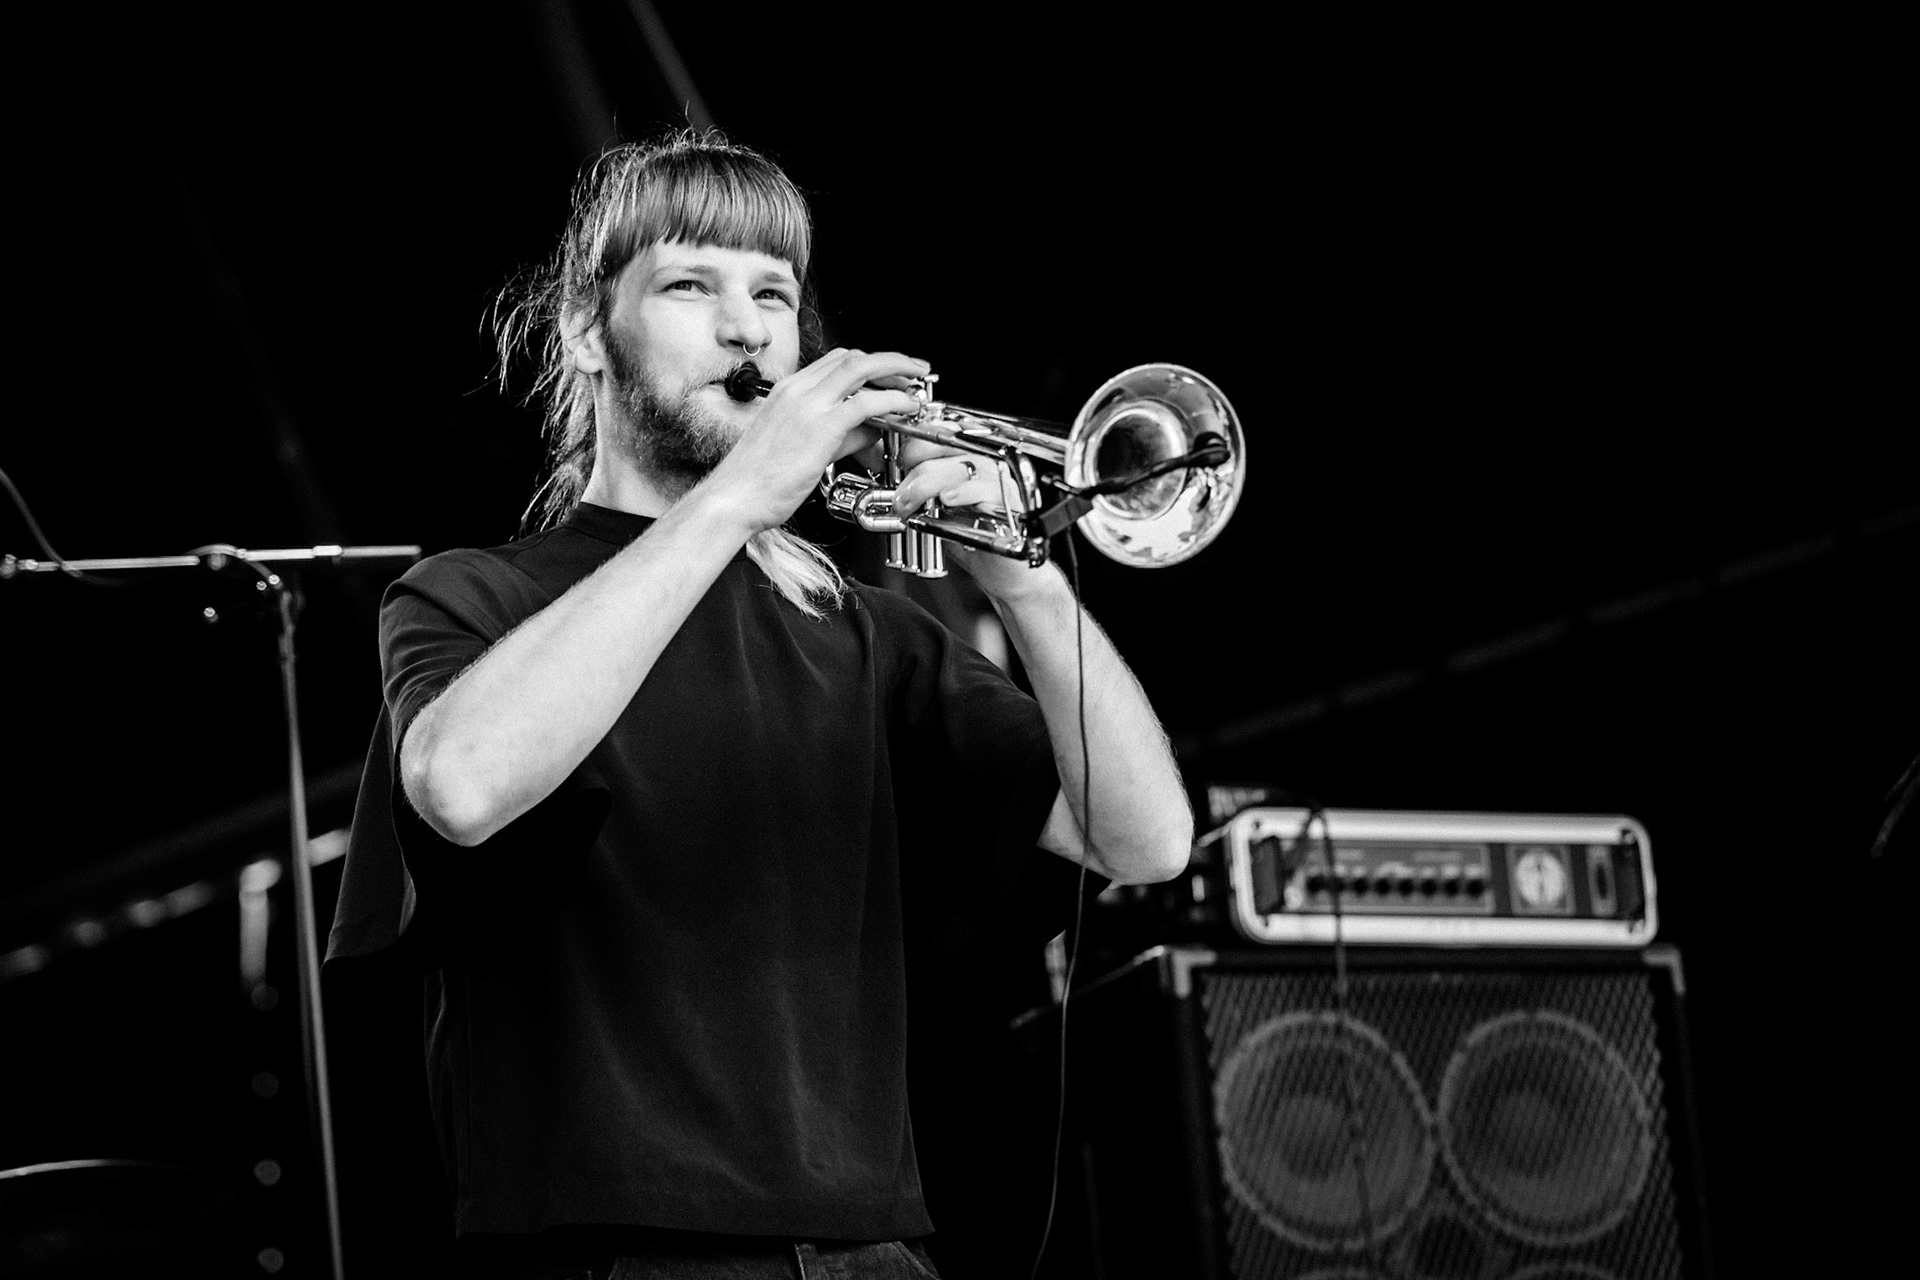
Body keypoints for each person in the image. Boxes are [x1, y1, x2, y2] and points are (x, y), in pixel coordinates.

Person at [325, 129, 1193, 1279]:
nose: (749, 328)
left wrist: (1022, 570)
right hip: (615, 1252)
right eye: (692, 284)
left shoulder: (867, 632)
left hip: (874, 1247)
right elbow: (459, 784)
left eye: (774, 293)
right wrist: (741, 496)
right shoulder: (470, 594)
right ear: (587, 331)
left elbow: (1147, 840)